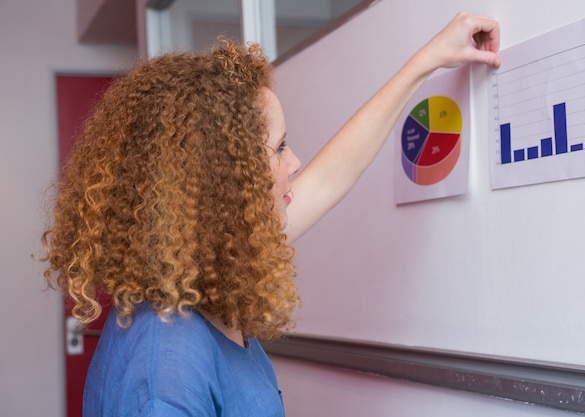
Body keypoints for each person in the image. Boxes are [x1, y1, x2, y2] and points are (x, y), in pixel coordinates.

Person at [39, 12, 500, 417]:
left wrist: (427, 61)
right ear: (222, 182)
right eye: (278, 148)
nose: (294, 164)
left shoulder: (198, 283)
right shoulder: (165, 374)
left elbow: (328, 178)